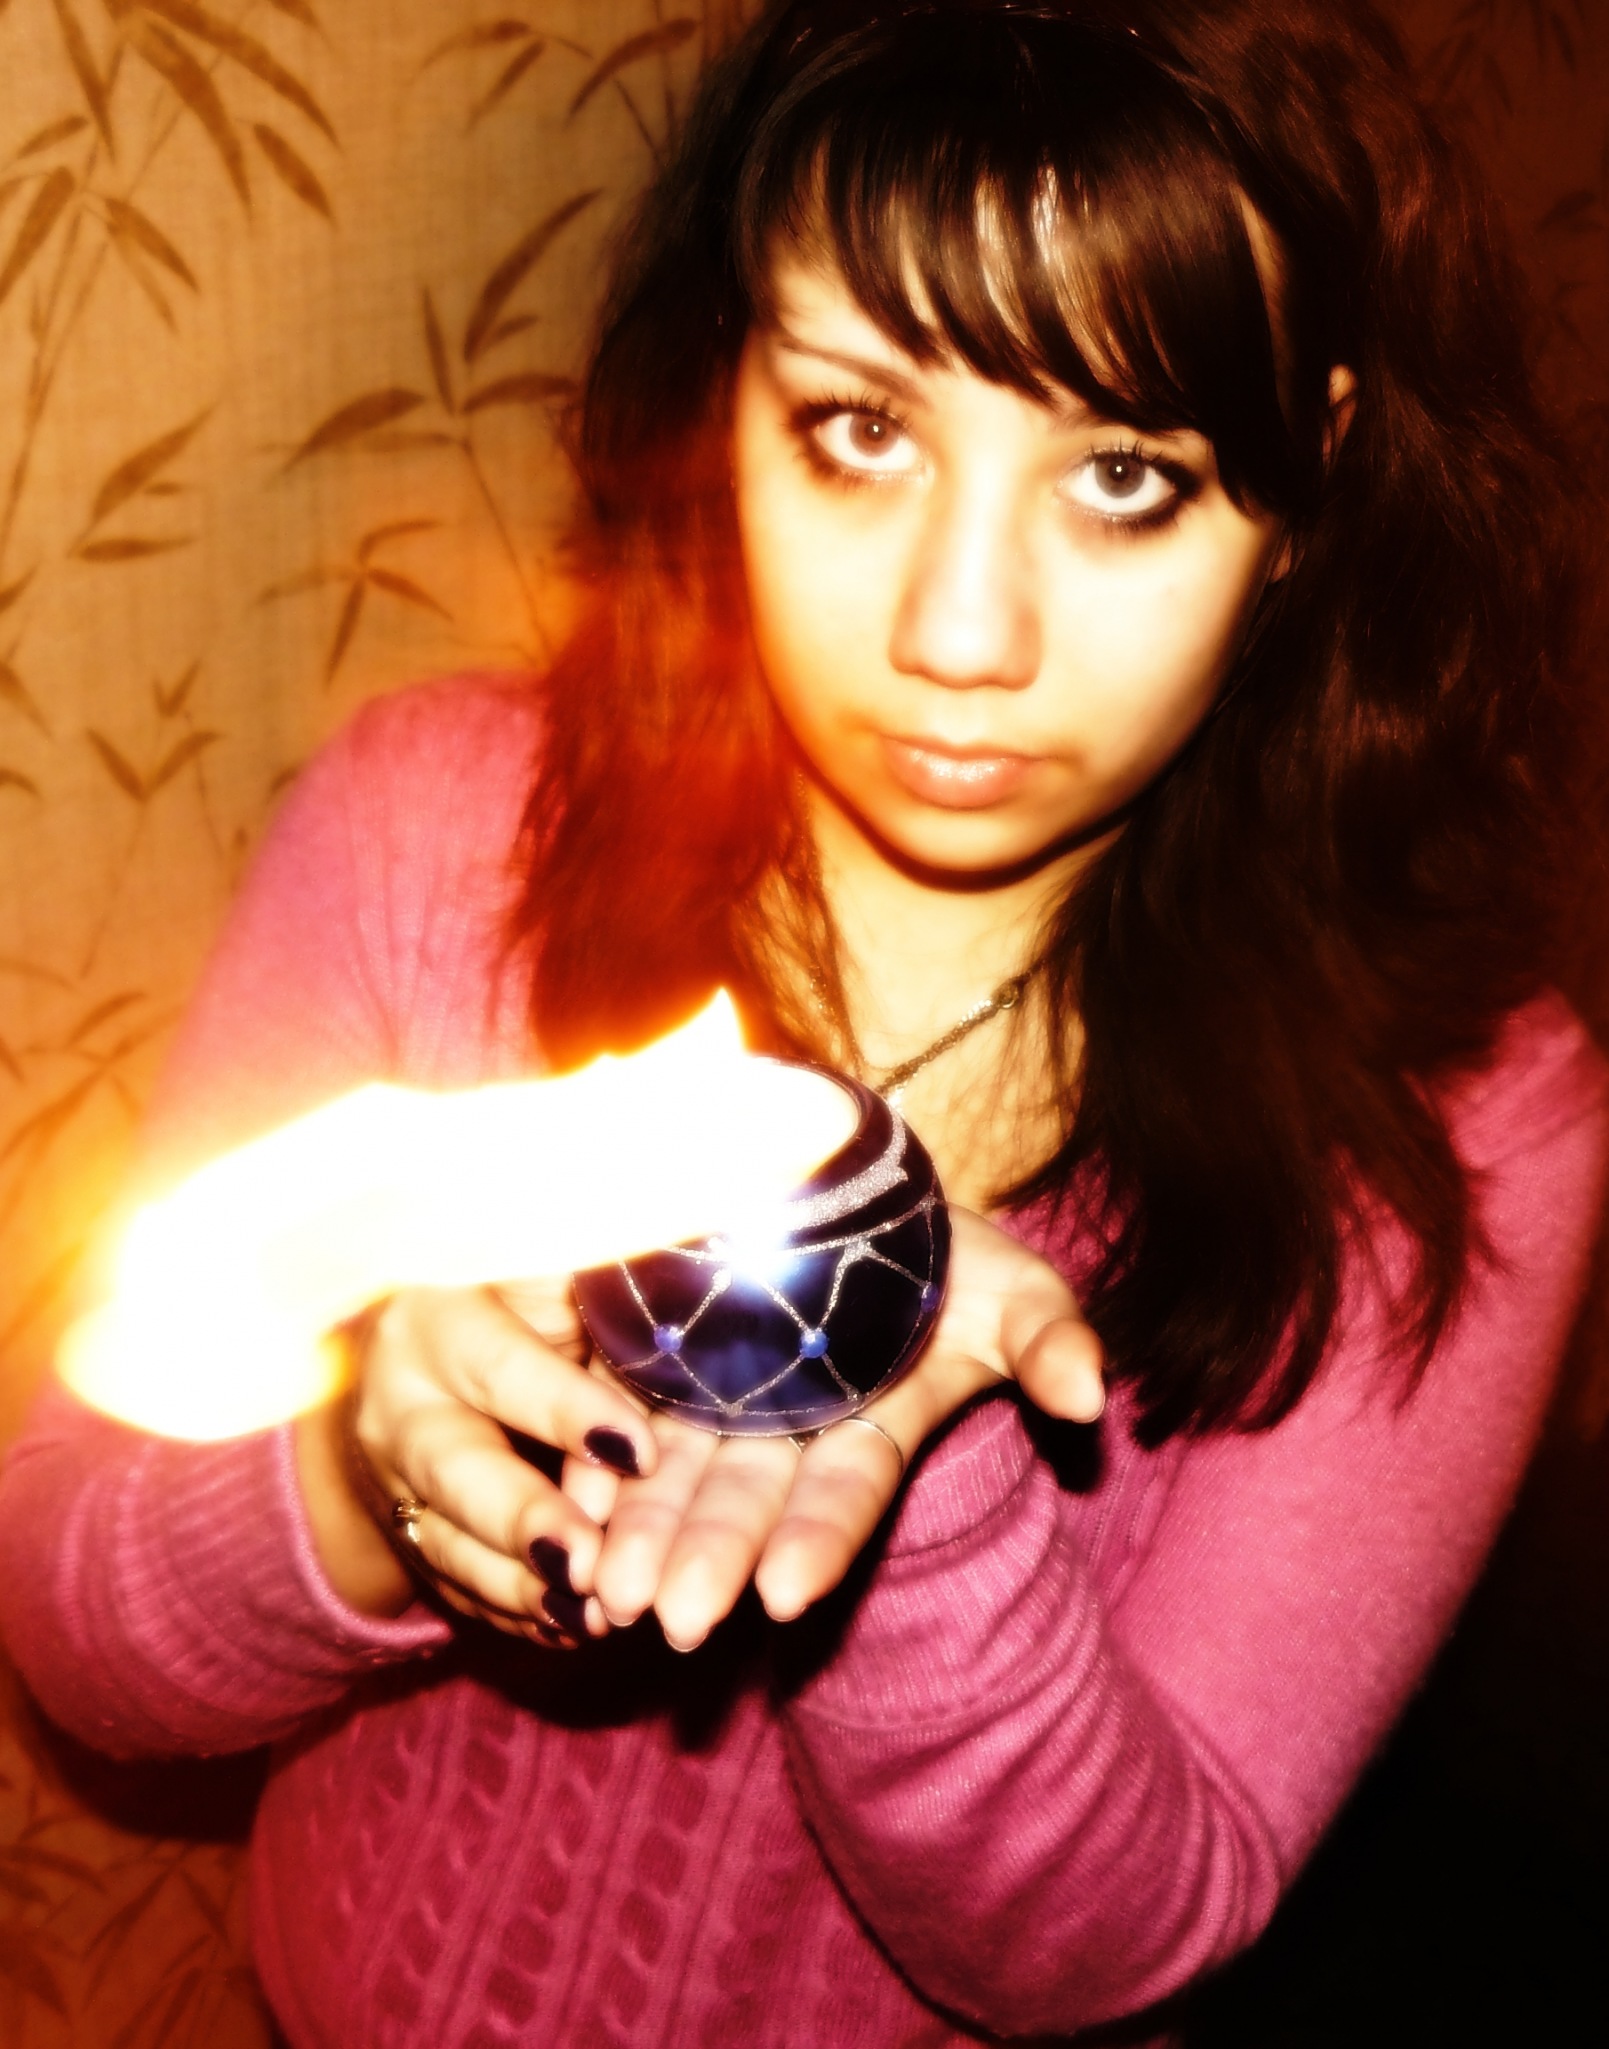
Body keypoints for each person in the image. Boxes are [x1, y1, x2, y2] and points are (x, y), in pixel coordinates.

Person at [1, 2, 1605, 2043]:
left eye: (1123, 474)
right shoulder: (434, 835)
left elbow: (1117, 1948)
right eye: (859, 428)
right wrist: (363, 1478)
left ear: (1314, 480)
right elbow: (72, 1613)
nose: (959, 633)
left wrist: (928, 1500)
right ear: (731, 387)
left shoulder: (1462, 1118)